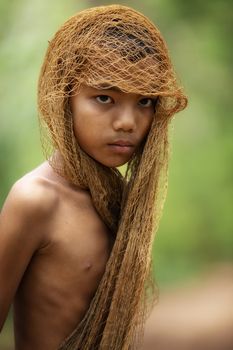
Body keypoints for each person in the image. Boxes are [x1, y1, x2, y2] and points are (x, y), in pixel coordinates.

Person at [0, 4, 187, 350]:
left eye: (145, 101)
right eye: (104, 97)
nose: (128, 122)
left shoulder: (118, 199)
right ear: (64, 97)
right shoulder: (36, 200)